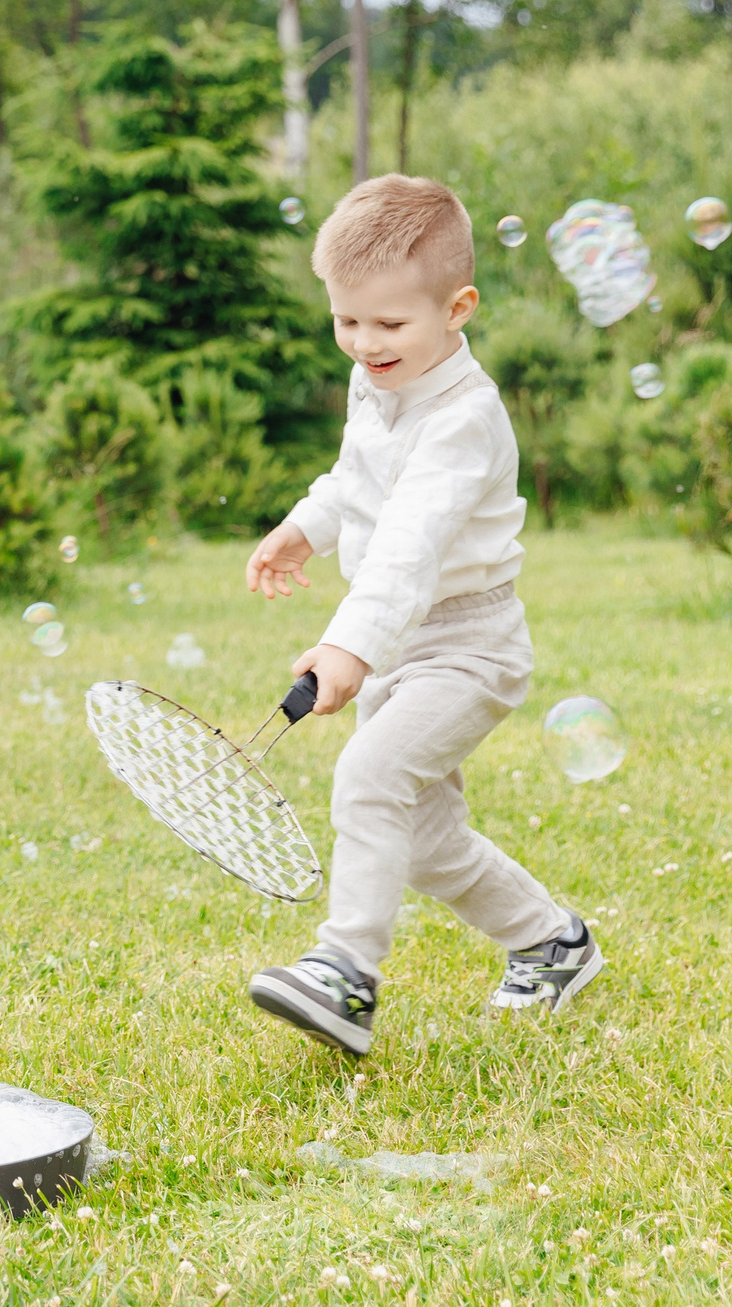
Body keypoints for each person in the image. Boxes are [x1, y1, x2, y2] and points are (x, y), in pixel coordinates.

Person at [241, 175, 601, 1056]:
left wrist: (348, 644)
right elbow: (358, 483)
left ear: (458, 307)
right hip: (399, 644)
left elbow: (408, 541)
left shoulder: (464, 417)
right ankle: (552, 941)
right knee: (430, 841)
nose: (364, 344)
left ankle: (345, 971)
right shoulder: (381, 385)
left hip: (466, 646)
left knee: (368, 776)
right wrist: (305, 527)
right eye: (346, 321)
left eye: (388, 324)